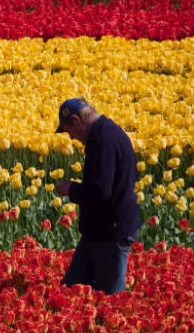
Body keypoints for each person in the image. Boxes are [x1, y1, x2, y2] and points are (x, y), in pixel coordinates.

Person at [53, 98, 141, 294]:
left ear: (76, 120)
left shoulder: (102, 140)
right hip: (100, 230)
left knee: (108, 300)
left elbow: (100, 191)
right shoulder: (109, 132)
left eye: (70, 131)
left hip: (110, 232)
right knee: (70, 292)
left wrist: (71, 189)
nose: (72, 138)